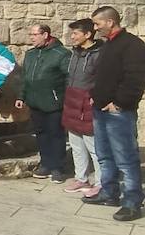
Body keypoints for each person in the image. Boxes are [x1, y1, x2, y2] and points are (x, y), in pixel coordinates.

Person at [86, 5, 145, 221]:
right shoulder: (108, 45)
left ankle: (132, 202)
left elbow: (135, 79)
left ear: (110, 22)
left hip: (118, 112)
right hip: (100, 109)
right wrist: (95, 96)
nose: (95, 29)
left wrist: (119, 103)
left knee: (126, 158)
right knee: (104, 156)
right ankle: (109, 192)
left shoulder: (133, 45)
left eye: (97, 24)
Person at [15, 22, 70, 182]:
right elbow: (26, 78)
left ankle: (58, 167)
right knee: (41, 134)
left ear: (45, 35)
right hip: (35, 102)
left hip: (54, 103)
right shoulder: (31, 54)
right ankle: (46, 163)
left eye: (34, 35)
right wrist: (21, 96)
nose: (31, 38)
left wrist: (64, 99)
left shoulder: (61, 54)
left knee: (56, 134)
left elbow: (69, 78)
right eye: (30, 35)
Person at [62, 18, 103, 197]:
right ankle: (82, 178)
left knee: (94, 147)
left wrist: (97, 96)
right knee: (76, 144)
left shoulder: (100, 53)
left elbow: (104, 79)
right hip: (72, 99)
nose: (72, 37)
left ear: (87, 34)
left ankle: (102, 183)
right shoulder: (75, 53)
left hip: (88, 102)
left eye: (76, 33)